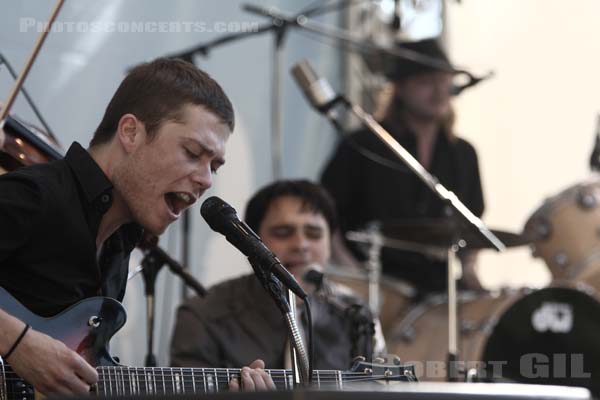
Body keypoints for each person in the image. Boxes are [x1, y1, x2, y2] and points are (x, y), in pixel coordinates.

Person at [0, 58, 274, 395]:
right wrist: (17, 343)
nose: (205, 180)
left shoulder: (120, 243)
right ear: (131, 132)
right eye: (192, 152)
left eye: (214, 167)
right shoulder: (35, 196)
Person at [321, 38, 485, 301]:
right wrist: (349, 269)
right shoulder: (363, 144)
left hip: (438, 291)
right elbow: (324, 211)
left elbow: (473, 223)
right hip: (374, 286)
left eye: (444, 81)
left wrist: (469, 269)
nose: (439, 91)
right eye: (426, 82)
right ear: (400, 87)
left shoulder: (463, 153)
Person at [170, 179, 384, 370]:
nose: (301, 245)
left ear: (329, 244)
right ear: (251, 244)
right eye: (283, 233)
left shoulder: (354, 313)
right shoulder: (204, 314)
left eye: (314, 234)